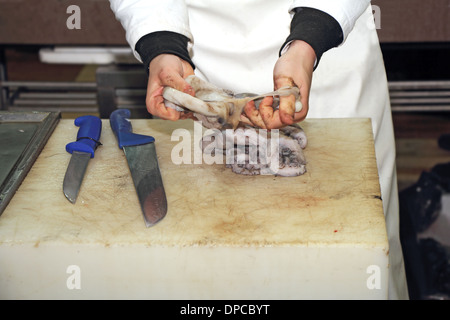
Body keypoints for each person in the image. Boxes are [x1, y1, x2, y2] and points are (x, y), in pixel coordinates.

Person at [109, 0, 409, 299]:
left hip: (328, 48)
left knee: (346, 265)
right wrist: (162, 44)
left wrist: (310, 40)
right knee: (203, 269)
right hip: (194, 63)